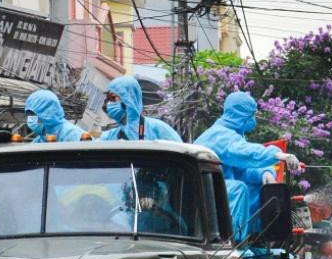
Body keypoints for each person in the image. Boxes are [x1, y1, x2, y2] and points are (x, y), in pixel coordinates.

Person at [193, 92, 304, 240]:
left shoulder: (232, 134)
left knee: (260, 189)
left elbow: (241, 170)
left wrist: (265, 174)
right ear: (241, 115)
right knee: (239, 189)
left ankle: (254, 239)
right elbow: (246, 153)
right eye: (251, 115)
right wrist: (279, 155)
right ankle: (234, 241)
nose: (253, 119)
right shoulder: (219, 135)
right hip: (201, 190)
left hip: (214, 187)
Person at [98, 76, 183, 142]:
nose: (108, 103)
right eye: (107, 99)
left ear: (128, 98)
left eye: (112, 98)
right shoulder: (110, 137)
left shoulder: (158, 129)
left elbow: (182, 157)